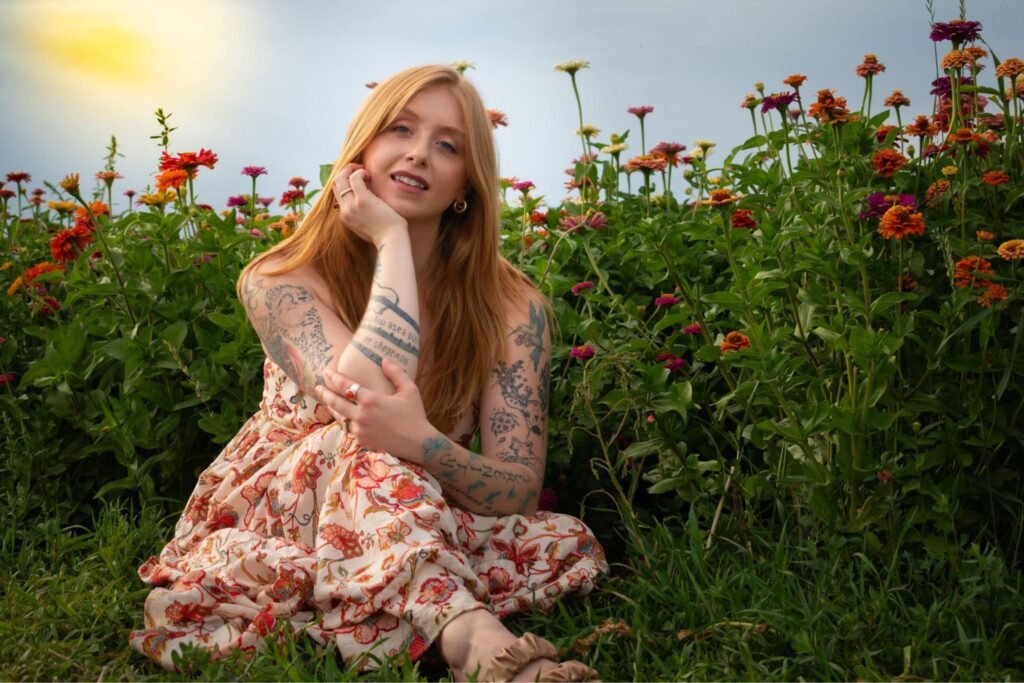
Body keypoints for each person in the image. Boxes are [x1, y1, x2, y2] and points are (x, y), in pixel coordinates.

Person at [129, 64, 608, 681]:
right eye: (400, 129)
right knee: (367, 445)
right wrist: (391, 242)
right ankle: (477, 645)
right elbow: (366, 397)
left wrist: (424, 444)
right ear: (363, 149)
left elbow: (516, 487)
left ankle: (362, 608)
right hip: (288, 506)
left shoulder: (514, 307)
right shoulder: (281, 279)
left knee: (561, 541)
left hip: (416, 513)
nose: (417, 153)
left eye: (448, 145)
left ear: (467, 182)